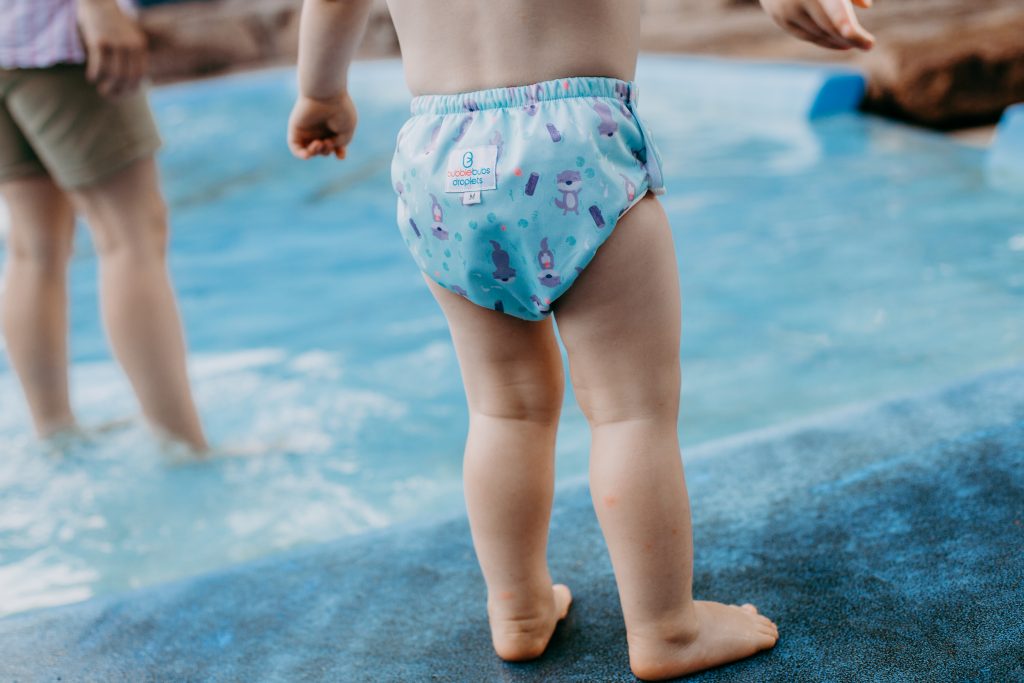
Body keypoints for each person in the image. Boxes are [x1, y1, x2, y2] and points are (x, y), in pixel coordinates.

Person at [287, 0, 873, 678]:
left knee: (503, 406)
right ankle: (667, 629)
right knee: (630, 409)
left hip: (440, 158)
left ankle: (520, 608)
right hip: (569, 140)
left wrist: (319, 93)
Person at [0, 0, 207, 450]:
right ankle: (183, 446)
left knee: (33, 243)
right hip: (55, 35)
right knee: (131, 234)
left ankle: (55, 432)